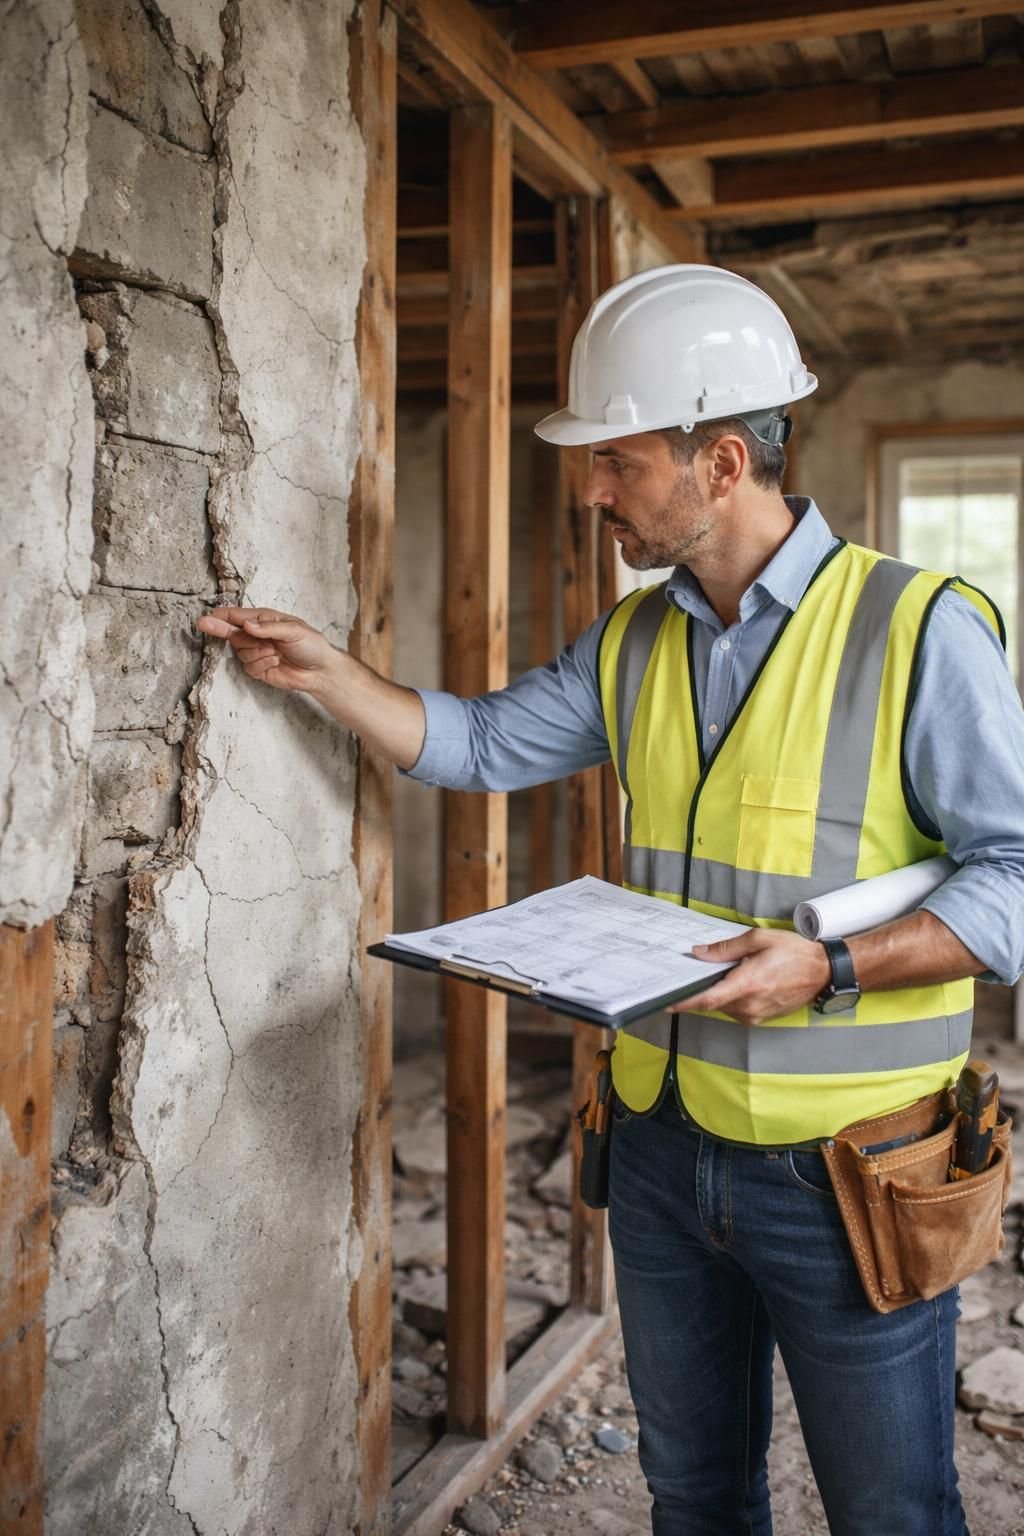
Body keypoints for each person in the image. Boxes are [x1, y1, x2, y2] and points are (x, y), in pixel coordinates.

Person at [198, 264, 1024, 1536]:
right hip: (657, 1145)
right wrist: (324, 674)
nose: (590, 491)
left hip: (851, 1166)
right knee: (691, 1493)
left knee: (892, 1513)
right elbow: (472, 747)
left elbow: (1015, 881)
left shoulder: (918, 628)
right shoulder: (638, 639)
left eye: (617, 461)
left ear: (725, 463)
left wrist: (829, 969)